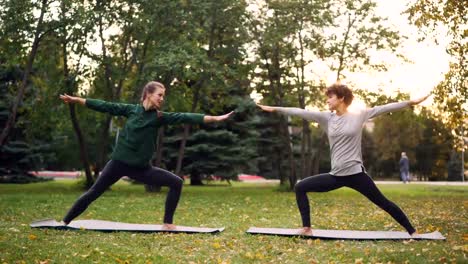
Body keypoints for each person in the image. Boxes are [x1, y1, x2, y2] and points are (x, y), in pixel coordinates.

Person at [257, 83, 430, 237]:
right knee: (300, 187)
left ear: (341, 98)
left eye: (330, 97)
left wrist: (411, 103)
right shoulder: (327, 118)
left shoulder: (359, 115)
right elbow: (301, 112)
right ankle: (306, 228)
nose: (327, 101)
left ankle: (412, 231)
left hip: (356, 174)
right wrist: (275, 109)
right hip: (336, 175)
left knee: (383, 202)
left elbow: (384, 108)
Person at [59, 81, 233, 230]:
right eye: (160, 95)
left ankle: (168, 224)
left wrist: (216, 119)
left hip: (142, 169)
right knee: (94, 192)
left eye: (163, 96)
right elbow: (105, 105)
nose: (162, 99)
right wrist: (76, 100)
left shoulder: (159, 117)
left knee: (177, 183)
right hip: (118, 163)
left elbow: (186, 117)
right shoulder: (131, 111)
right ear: (148, 94)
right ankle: (65, 221)